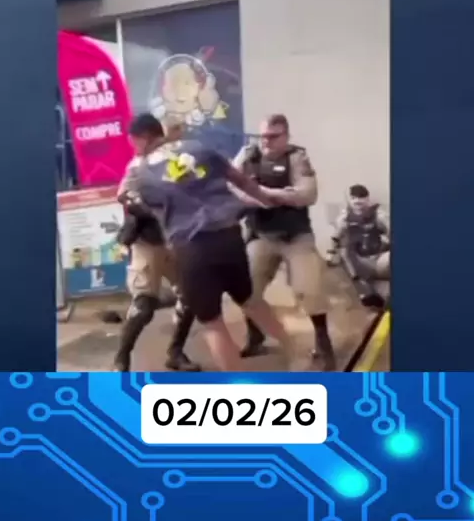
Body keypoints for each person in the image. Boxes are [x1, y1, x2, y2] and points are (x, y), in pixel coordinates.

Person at [133, 120, 294, 372]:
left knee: (213, 323)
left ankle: (239, 387)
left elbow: (158, 214)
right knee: (250, 301)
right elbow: (240, 180)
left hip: (191, 247)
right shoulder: (197, 148)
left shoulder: (143, 174)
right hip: (227, 235)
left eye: (133, 143)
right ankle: (297, 353)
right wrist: (266, 199)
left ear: (142, 138)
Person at [232, 114, 336, 371]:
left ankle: (323, 345)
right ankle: (255, 335)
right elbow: (230, 184)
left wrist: (266, 194)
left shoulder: (296, 157)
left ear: (286, 136)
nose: (266, 141)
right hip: (261, 234)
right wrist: (255, 198)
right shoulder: (248, 155)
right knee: (245, 290)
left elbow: (307, 194)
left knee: (310, 289)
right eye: (263, 136)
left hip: (295, 236)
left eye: (273, 136)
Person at [114, 114, 200, 373]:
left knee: (191, 296)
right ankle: (121, 360)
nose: (133, 146)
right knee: (144, 305)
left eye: (135, 141)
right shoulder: (137, 166)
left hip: (176, 239)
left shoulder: (177, 158)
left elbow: (193, 188)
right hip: (148, 241)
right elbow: (123, 194)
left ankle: (175, 353)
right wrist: (146, 206)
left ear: (146, 138)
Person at [327, 184, 390, 310]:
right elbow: (335, 238)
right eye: (354, 198)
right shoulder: (344, 219)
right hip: (358, 261)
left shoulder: (379, 215)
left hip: (379, 258)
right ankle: (366, 293)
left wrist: (385, 241)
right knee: (344, 253)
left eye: (361, 197)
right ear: (350, 200)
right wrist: (331, 253)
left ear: (367, 199)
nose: (357, 201)